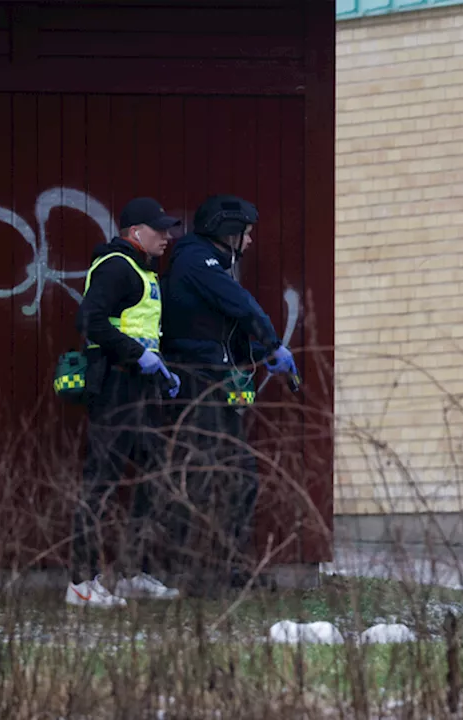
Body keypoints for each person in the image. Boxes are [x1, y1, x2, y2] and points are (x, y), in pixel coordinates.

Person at [159, 194, 300, 596]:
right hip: (197, 385)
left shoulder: (206, 264)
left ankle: (232, 569)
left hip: (214, 380)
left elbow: (216, 333)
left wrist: (258, 354)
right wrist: (273, 343)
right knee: (210, 477)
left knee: (237, 477)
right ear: (227, 232)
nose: (250, 242)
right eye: (246, 234)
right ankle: (203, 574)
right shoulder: (196, 261)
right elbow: (241, 306)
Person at [68, 197, 184, 608]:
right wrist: (137, 356)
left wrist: (161, 370)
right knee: (100, 483)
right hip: (116, 386)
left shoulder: (142, 270)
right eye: (160, 229)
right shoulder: (117, 266)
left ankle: (134, 572)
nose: (167, 236)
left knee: (155, 476)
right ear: (136, 232)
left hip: (141, 388)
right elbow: (90, 320)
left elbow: (141, 330)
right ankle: (81, 584)